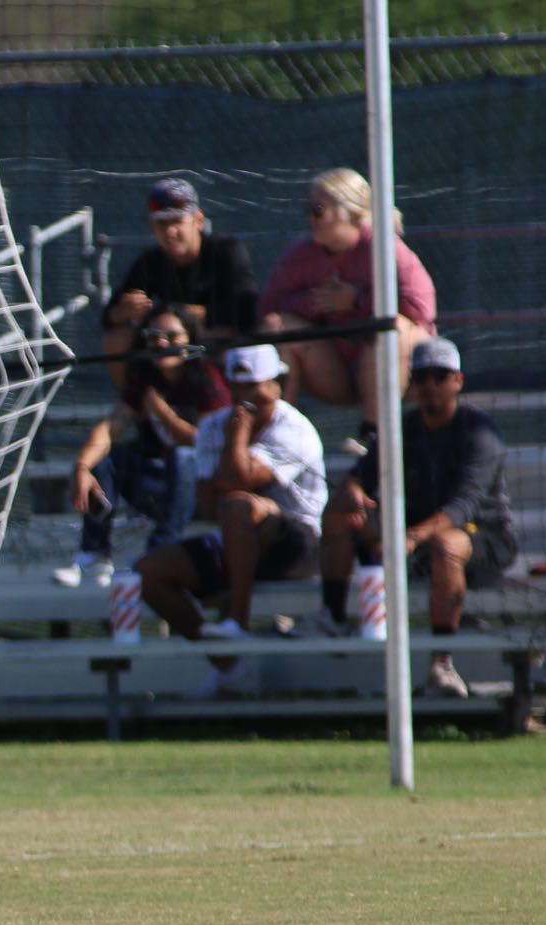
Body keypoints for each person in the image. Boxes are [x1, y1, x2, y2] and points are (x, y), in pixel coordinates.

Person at [312, 337, 514, 698]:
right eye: (421, 378)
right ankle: (333, 617)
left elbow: (463, 508)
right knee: (340, 511)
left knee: (446, 544)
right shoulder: (400, 429)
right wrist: (355, 491)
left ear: (458, 382)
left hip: (482, 538)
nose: (429, 386)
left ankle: (442, 662)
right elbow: (360, 475)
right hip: (413, 539)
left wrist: (409, 538)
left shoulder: (480, 432)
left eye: (440, 376)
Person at [134, 343, 327, 699]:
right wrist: (231, 454)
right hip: (236, 535)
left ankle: (235, 621)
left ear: (276, 386)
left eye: (253, 387)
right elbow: (209, 505)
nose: (244, 398)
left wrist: (236, 438)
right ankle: (230, 666)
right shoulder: (212, 427)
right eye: (236, 388)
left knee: (238, 507)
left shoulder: (294, 428)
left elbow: (238, 482)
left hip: (298, 544)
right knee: (150, 571)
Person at [55, 304, 229, 589]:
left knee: (183, 457)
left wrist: (164, 415)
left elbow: (208, 444)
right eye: (154, 336)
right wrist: (81, 467)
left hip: (201, 490)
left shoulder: (209, 382)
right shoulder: (145, 382)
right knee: (107, 459)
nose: (162, 344)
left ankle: (161, 548)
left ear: (190, 340)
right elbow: (109, 428)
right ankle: (94, 552)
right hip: (157, 486)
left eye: (172, 337)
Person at [257, 167, 436, 426]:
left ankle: (373, 435)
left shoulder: (386, 248)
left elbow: (421, 308)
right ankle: (279, 432)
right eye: (307, 210)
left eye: (318, 210)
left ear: (348, 211)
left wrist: (357, 301)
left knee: (390, 328)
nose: (310, 218)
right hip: (335, 371)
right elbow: (269, 307)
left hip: (401, 371)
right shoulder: (301, 255)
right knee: (276, 327)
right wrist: (315, 303)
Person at [97, 179, 258, 391]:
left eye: (176, 221)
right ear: (152, 227)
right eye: (162, 224)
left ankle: (230, 406)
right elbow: (109, 317)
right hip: (171, 347)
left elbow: (249, 310)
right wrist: (123, 311)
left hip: (212, 341)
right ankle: (137, 411)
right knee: (117, 339)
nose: (170, 231)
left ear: (198, 220)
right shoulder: (151, 260)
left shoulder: (226, 251)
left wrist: (203, 316)